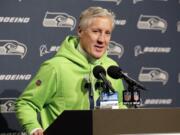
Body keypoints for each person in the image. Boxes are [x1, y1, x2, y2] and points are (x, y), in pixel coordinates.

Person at [15, 6, 126, 135]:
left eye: (107, 33)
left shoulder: (112, 68)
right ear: (80, 31)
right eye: (96, 31)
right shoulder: (56, 67)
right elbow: (26, 103)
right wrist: (34, 128)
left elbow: (120, 105)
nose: (102, 40)